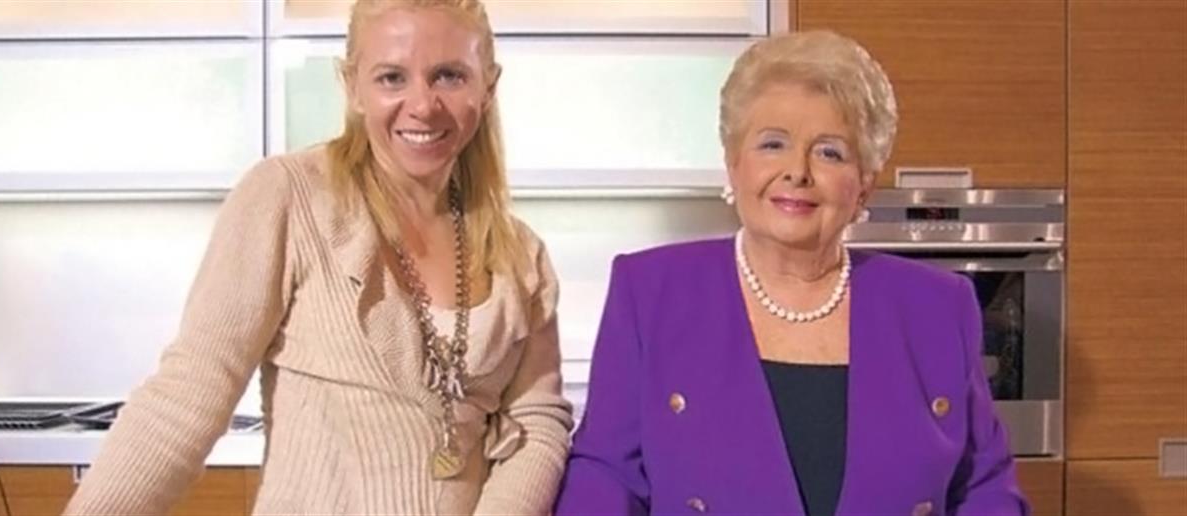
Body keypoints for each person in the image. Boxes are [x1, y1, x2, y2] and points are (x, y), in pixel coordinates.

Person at [66, 1, 571, 514]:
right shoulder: (286, 198)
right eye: (392, 78)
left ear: (488, 87)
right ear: (352, 86)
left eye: (449, 76)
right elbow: (186, 396)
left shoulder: (520, 257)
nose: (423, 105)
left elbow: (537, 427)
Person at [555, 30, 1028, 516]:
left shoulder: (938, 305)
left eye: (829, 152)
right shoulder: (650, 291)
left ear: (863, 185)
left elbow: (985, 486)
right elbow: (607, 475)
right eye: (772, 144)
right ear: (733, 165)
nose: (797, 171)